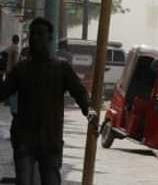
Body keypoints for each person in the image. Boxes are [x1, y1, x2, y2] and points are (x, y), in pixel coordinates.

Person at [0, 17, 96, 185]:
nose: (35, 38)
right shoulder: (21, 69)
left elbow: (80, 93)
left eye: (40, 34)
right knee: (23, 180)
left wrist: (90, 112)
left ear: (49, 38)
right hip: (25, 137)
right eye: (32, 34)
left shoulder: (62, 68)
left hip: (50, 140)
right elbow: (2, 92)